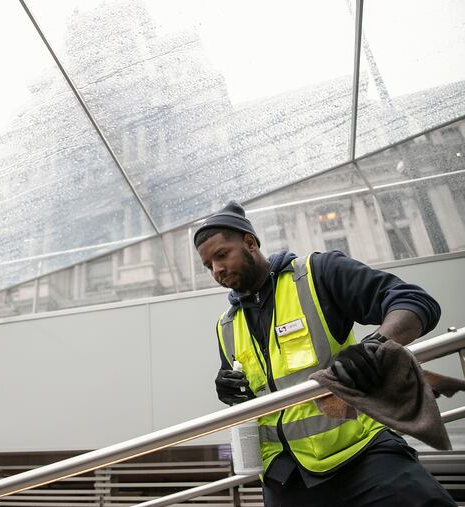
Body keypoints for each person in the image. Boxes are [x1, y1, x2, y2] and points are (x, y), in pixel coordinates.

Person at [193, 201, 456, 507]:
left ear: (250, 243)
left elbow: (412, 300)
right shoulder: (226, 325)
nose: (217, 270)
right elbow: (256, 393)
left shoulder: (316, 274)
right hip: (286, 478)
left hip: (363, 457)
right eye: (208, 265)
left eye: (221, 255)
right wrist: (228, 391)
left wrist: (374, 346)